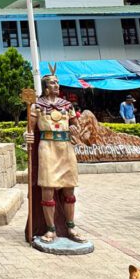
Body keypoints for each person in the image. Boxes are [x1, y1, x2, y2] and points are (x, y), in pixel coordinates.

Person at [23, 72, 86, 245]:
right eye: (52, 83)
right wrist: (26, 136)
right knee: (48, 188)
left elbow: (76, 127)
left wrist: (75, 130)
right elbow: (30, 129)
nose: (56, 85)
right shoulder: (37, 106)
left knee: (69, 189)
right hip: (47, 147)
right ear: (45, 87)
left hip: (65, 147)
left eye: (57, 82)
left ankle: (70, 227)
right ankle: (50, 229)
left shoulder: (67, 106)